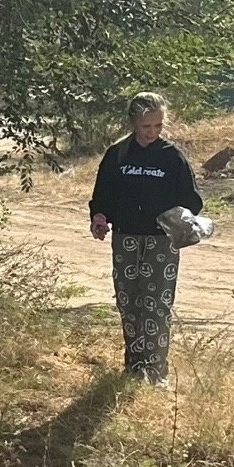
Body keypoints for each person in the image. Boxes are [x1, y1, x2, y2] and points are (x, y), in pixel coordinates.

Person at [89, 92, 201, 385]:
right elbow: (102, 197)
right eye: (145, 127)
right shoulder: (117, 155)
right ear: (133, 123)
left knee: (157, 303)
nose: (152, 133)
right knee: (129, 302)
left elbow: (192, 200)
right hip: (126, 238)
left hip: (161, 241)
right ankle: (134, 367)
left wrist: (183, 220)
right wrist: (99, 217)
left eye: (158, 126)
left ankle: (156, 372)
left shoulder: (172, 156)